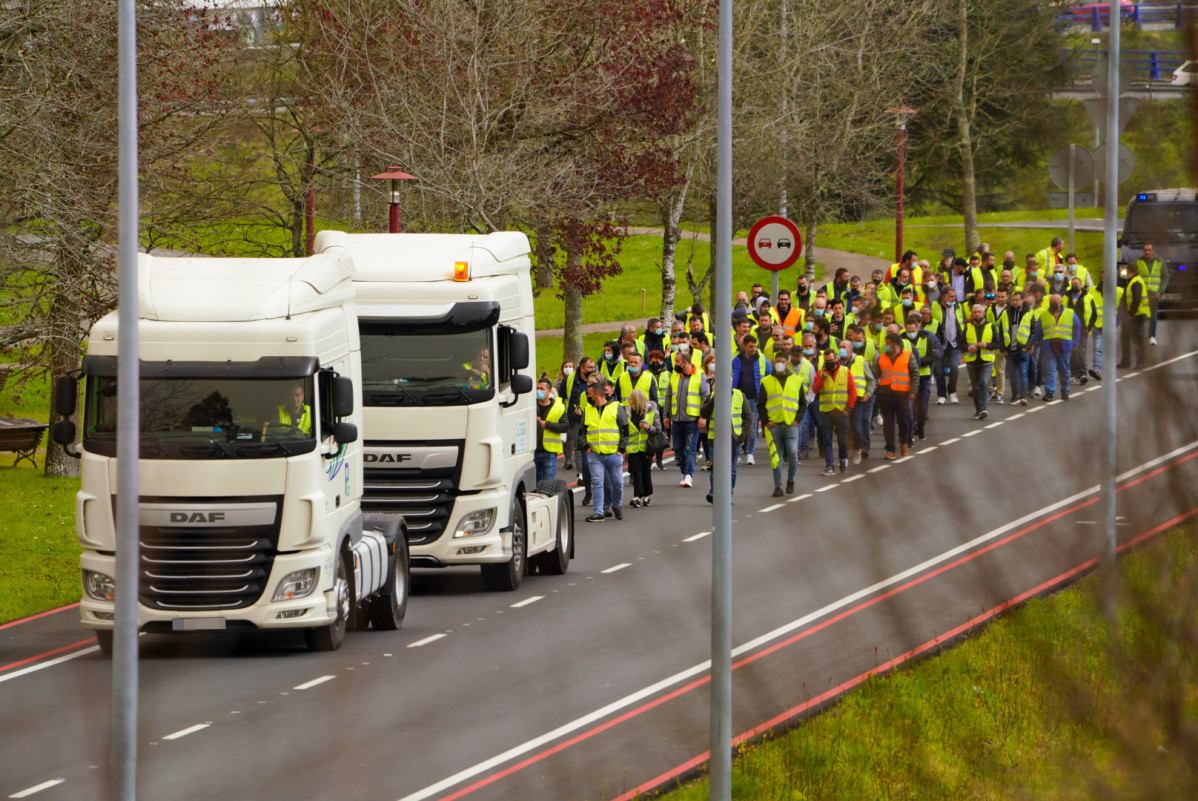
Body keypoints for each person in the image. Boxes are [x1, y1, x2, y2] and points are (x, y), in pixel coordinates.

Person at [580, 379, 628, 522]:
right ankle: (598, 512)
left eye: (589, 394)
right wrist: (586, 446)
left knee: (618, 483)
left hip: (613, 453)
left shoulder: (616, 407)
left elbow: (625, 429)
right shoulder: (588, 410)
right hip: (595, 454)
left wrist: (621, 449)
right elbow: (582, 431)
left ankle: (617, 505)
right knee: (597, 482)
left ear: (597, 394)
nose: (587, 396)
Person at [759, 352, 804, 495]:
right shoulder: (766, 381)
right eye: (777, 361)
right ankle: (778, 486)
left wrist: (797, 419)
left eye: (782, 361)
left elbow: (803, 403)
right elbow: (761, 404)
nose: (779, 364)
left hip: (791, 424)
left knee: (792, 453)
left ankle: (791, 480)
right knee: (775, 457)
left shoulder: (796, 380)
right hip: (774, 425)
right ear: (773, 363)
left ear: (787, 363)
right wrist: (766, 421)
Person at [664, 345, 709, 488]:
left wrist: (703, 417)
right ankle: (685, 473)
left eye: (677, 361)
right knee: (678, 450)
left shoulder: (700, 376)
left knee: (690, 448)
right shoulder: (674, 376)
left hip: (692, 421)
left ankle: (689, 475)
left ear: (685, 362)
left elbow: (706, 398)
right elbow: (668, 396)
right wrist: (666, 415)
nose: (675, 364)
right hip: (676, 420)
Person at [810, 348, 856, 475]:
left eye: (831, 360)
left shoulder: (845, 372)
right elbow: (815, 390)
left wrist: (848, 408)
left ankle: (843, 458)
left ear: (836, 359)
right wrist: (823, 377)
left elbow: (852, 391)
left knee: (842, 440)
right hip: (826, 412)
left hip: (842, 412)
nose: (829, 363)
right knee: (827, 440)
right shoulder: (821, 373)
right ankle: (830, 465)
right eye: (827, 361)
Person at [875, 333, 917, 460]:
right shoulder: (882, 357)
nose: (886, 346)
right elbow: (876, 373)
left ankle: (904, 442)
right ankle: (890, 449)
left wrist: (913, 391)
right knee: (888, 424)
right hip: (885, 395)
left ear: (896, 344)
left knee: (903, 421)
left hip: (902, 395)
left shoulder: (908, 356)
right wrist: (867, 367)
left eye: (889, 343)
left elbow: (915, 374)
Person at [903, 311, 942, 442]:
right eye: (908, 331)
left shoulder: (927, 338)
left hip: (923, 376)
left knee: (922, 406)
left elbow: (933, 357)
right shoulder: (902, 339)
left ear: (918, 328)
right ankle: (911, 429)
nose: (910, 333)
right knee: (909, 407)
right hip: (907, 377)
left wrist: (917, 362)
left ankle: (921, 427)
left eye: (913, 331)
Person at [841, 337, 875, 465]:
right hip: (841, 400)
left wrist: (868, 393)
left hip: (857, 400)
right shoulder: (837, 362)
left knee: (856, 427)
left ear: (851, 349)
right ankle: (843, 456)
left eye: (844, 347)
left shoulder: (860, 361)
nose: (841, 350)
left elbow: (871, 379)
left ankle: (858, 449)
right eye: (840, 347)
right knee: (842, 429)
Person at [625, 389, 660, 508]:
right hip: (633, 447)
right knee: (636, 471)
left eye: (631, 399)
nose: (628, 401)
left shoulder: (652, 411)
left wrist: (648, 428)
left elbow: (658, 429)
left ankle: (647, 496)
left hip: (647, 446)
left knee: (646, 471)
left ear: (637, 400)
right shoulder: (627, 412)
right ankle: (637, 496)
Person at [963, 303, 998, 419]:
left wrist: (986, 345)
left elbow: (997, 343)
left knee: (983, 383)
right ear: (972, 314)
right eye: (975, 312)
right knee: (975, 387)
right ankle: (978, 410)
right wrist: (968, 348)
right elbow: (961, 343)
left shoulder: (991, 326)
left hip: (986, 361)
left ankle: (983, 409)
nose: (977, 314)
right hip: (972, 361)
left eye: (979, 312)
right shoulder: (967, 326)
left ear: (984, 313)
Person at [534, 378, 569, 482]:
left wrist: (547, 424)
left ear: (549, 391)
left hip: (549, 453)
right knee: (534, 485)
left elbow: (565, 427)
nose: (538, 391)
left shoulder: (558, 407)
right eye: (537, 388)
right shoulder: (531, 406)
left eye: (541, 388)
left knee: (548, 484)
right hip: (533, 452)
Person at [1118, 260, 1151, 370]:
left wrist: (1131, 314)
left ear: (1128, 271)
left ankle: (1140, 363)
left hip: (1137, 315)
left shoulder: (1136, 282)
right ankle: (1126, 361)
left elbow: (1136, 299)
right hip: (1134, 314)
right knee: (1125, 337)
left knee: (1137, 339)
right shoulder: (1134, 281)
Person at [1137, 243, 1166, 345]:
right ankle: (1139, 336)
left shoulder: (1159, 261)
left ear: (1153, 250)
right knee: (1141, 315)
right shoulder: (1139, 261)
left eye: (1149, 250)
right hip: (1142, 293)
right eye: (1145, 250)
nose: (1147, 252)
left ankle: (1152, 336)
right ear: (1143, 251)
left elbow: (1165, 276)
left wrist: (1161, 290)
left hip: (1154, 294)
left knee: (1153, 317)